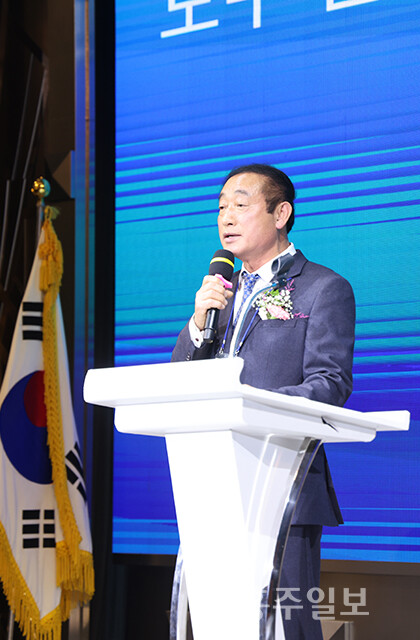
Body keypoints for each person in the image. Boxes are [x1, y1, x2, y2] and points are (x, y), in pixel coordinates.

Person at [171, 164, 355, 640]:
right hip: (213, 485)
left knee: (285, 625)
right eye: (221, 207)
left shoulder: (322, 288)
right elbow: (180, 377)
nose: (226, 217)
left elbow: (330, 382)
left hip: (281, 482)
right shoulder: (222, 293)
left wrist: (248, 405)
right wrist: (199, 322)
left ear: (280, 213)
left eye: (240, 204)